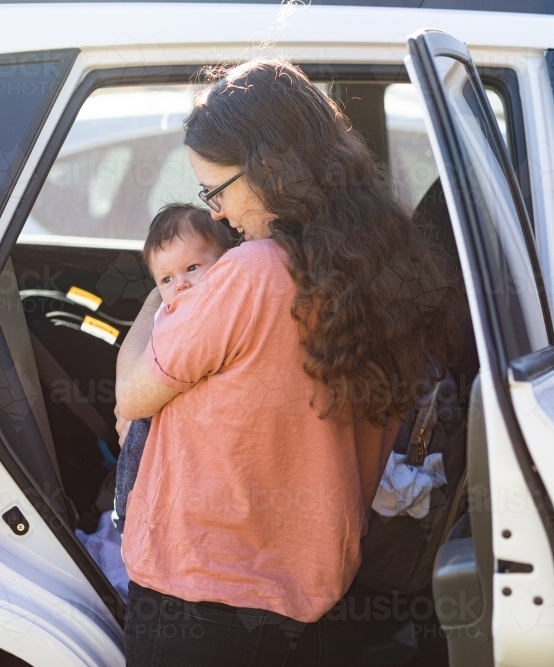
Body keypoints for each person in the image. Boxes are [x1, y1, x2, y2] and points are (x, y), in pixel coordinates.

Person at [114, 57, 463, 667]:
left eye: (217, 191)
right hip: (312, 603)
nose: (216, 214)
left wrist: (161, 291)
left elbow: (132, 396)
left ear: (272, 168)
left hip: (199, 601)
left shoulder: (250, 274)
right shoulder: (384, 267)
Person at [112, 203, 234, 534]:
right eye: (166, 278)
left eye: (192, 267)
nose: (180, 284)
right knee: (136, 453)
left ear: (228, 259)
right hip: (153, 410)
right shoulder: (168, 312)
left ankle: (130, 515)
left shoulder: (219, 307)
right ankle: (126, 511)